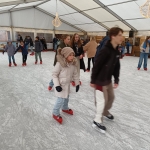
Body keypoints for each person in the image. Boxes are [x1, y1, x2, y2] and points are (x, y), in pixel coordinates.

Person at [90, 27, 123, 133]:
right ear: (113, 36)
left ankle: (105, 111)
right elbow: (96, 65)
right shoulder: (105, 50)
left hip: (108, 80)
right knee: (101, 101)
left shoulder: (116, 50)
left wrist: (116, 79)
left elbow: (116, 65)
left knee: (111, 98)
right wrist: (93, 80)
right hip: (100, 80)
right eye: (120, 35)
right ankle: (97, 120)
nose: (122, 37)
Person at [52, 47, 79, 124]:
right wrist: (57, 85)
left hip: (67, 85)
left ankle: (65, 108)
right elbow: (54, 75)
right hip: (60, 86)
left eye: (73, 55)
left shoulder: (73, 64)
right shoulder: (59, 64)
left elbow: (75, 74)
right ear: (65, 55)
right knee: (60, 100)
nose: (72, 57)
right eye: (70, 55)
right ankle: (55, 112)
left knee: (67, 97)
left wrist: (77, 83)